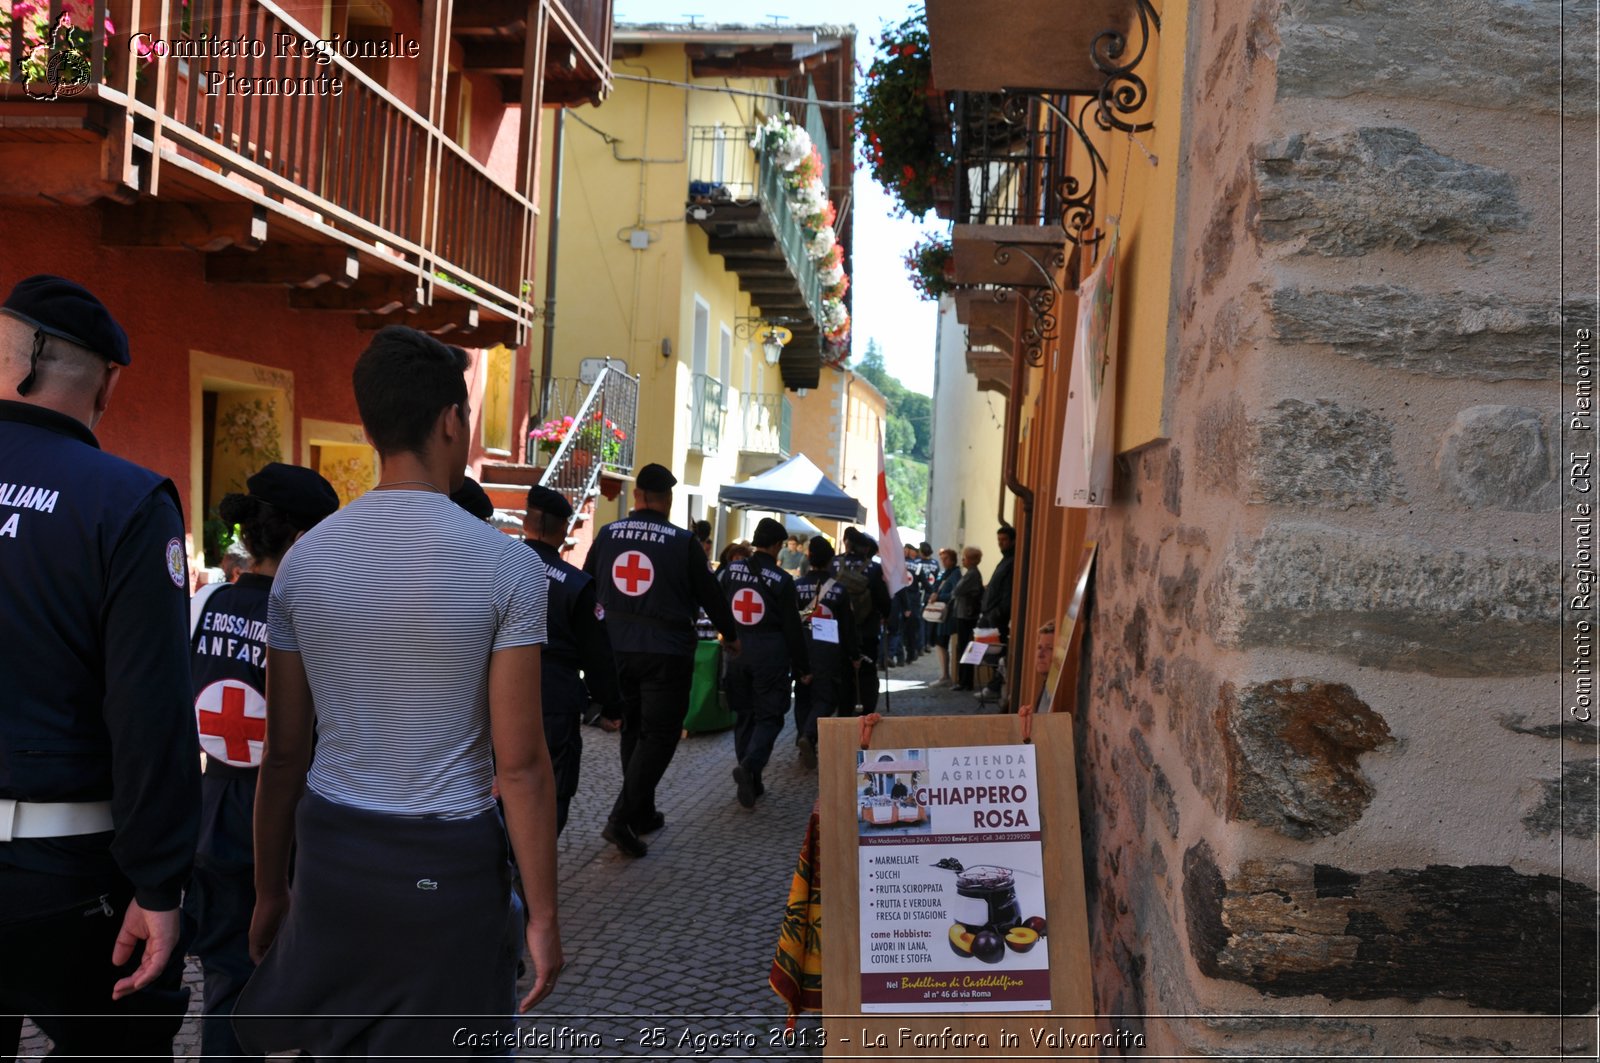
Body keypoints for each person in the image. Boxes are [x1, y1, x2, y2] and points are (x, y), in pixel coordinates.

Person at [236, 325, 561, 1056]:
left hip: (332, 860)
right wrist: (543, 914)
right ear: (451, 419)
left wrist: (269, 890)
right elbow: (521, 766)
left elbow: (283, 755)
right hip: (447, 871)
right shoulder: (508, 569)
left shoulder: (301, 564)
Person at [0, 274, 200, 1058]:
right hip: (70, 875)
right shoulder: (127, 499)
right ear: (108, 382)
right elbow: (150, 710)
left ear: (15, 359)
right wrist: (159, 884)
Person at [184, 462, 338, 1063]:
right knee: (317, 976)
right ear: (302, 540)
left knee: (228, 978)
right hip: (298, 817)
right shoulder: (313, 617)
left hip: (213, 812)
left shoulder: (205, 601)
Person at [585, 463, 740, 858]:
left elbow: (588, 586)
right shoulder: (682, 541)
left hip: (619, 646)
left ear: (636, 497)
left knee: (634, 730)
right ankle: (622, 818)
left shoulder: (607, 534)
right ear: (668, 500)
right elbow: (710, 594)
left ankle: (643, 810)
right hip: (666, 650)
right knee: (661, 735)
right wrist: (732, 636)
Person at [522, 484, 623, 833]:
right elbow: (597, 653)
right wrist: (610, 707)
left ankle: (500, 865)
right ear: (564, 530)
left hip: (495, 691)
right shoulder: (576, 584)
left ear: (525, 522)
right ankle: (529, 867)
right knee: (554, 788)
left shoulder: (496, 567)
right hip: (555, 696)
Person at [718, 517, 811, 807]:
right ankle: (749, 767)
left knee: (744, 715)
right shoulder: (783, 581)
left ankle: (752, 782)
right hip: (770, 654)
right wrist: (803, 667)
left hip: (736, 651)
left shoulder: (729, 570)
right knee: (770, 717)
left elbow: (715, 602)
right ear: (776, 546)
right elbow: (792, 628)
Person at [792, 535, 858, 770]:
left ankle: (803, 738)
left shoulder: (796, 586)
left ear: (808, 558)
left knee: (802, 694)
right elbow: (847, 626)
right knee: (826, 697)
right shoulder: (839, 590)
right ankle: (808, 736)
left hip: (800, 646)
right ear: (831, 560)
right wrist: (854, 654)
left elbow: (788, 622)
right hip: (828, 648)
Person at [838, 528, 892, 712]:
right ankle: (867, 710)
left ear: (847, 542)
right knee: (867, 671)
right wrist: (886, 615)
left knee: (843, 671)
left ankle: (844, 710)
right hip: (866, 629)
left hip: (838, 632)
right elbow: (883, 600)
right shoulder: (874, 568)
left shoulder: (834, 564)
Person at [979, 526, 1016, 697]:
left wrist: (998, 613)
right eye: (999, 540)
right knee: (987, 651)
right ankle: (993, 685)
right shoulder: (1005, 560)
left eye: (1004, 540)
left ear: (1013, 541)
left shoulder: (1012, 561)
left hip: (997, 617)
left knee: (996, 653)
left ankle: (995, 686)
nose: (1000, 543)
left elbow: (1008, 591)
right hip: (991, 615)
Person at [953, 546, 985, 691]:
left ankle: (965, 681)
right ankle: (964, 680)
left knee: (965, 648)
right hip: (965, 614)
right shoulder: (972, 573)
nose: (962, 560)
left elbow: (957, 590)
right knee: (964, 647)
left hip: (966, 615)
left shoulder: (972, 574)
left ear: (971, 560)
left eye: (964, 558)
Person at [931, 548, 961, 685]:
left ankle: (945, 676)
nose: (943, 561)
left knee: (941, 642)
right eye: (942, 559)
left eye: (946, 558)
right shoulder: (945, 573)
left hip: (948, 614)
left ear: (953, 559)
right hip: (943, 613)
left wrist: (939, 597)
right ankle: (944, 675)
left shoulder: (955, 574)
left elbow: (955, 593)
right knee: (939, 642)